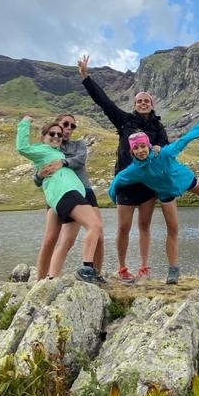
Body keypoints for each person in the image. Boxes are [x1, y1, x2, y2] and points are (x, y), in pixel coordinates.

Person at [77, 53, 173, 283]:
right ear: (134, 104)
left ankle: (144, 267)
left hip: (148, 184)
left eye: (146, 101)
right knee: (123, 227)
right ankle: (122, 268)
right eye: (139, 101)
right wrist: (86, 77)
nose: (142, 103)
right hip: (126, 181)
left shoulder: (158, 126)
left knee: (145, 226)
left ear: (152, 105)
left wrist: (159, 148)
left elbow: (166, 147)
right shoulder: (124, 121)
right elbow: (104, 102)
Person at [108, 126, 199, 283]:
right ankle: (173, 270)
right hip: (166, 194)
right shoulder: (134, 170)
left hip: (184, 178)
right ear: (132, 151)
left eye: (143, 146)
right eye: (136, 148)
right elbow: (118, 181)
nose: (140, 150)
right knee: (173, 228)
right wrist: (113, 197)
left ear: (149, 145)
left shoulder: (164, 153)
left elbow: (183, 140)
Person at [16, 116, 103, 283]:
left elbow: (79, 159)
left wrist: (62, 162)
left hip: (75, 193)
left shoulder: (72, 147)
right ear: (44, 136)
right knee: (94, 226)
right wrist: (25, 122)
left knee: (67, 242)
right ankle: (86, 269)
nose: (59, 134)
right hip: (66, 194)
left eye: (71, 126)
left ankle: (51, 280)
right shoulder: (44, 149)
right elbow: (23, 148)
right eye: (54, 132)